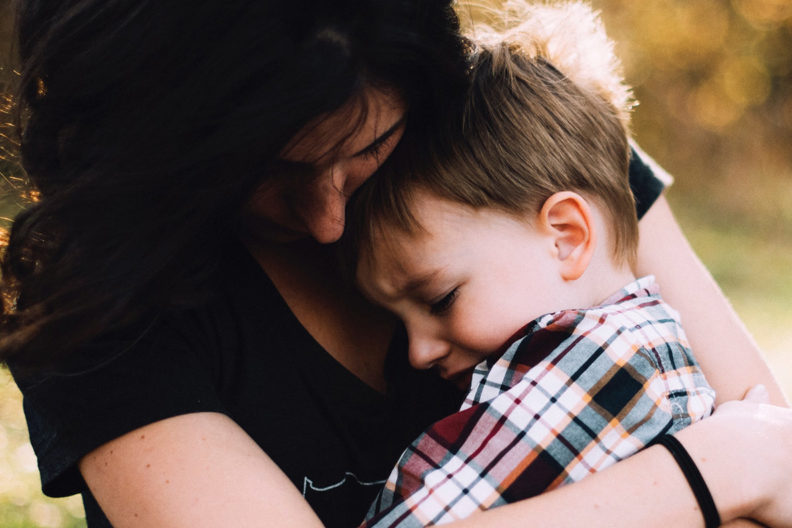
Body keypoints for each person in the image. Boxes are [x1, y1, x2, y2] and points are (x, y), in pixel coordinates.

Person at [0, 1, 790, 527]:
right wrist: (711, 470)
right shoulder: (103, 301)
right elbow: (760, 456)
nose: (327, 222)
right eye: (260, 176)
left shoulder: (521, 147)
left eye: (366, 150)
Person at [347, 5, 718, 524]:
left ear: (566, 237)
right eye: (399, 319)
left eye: (440, 299)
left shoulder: (606, 362)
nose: (417, 352)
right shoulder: (633, 347)